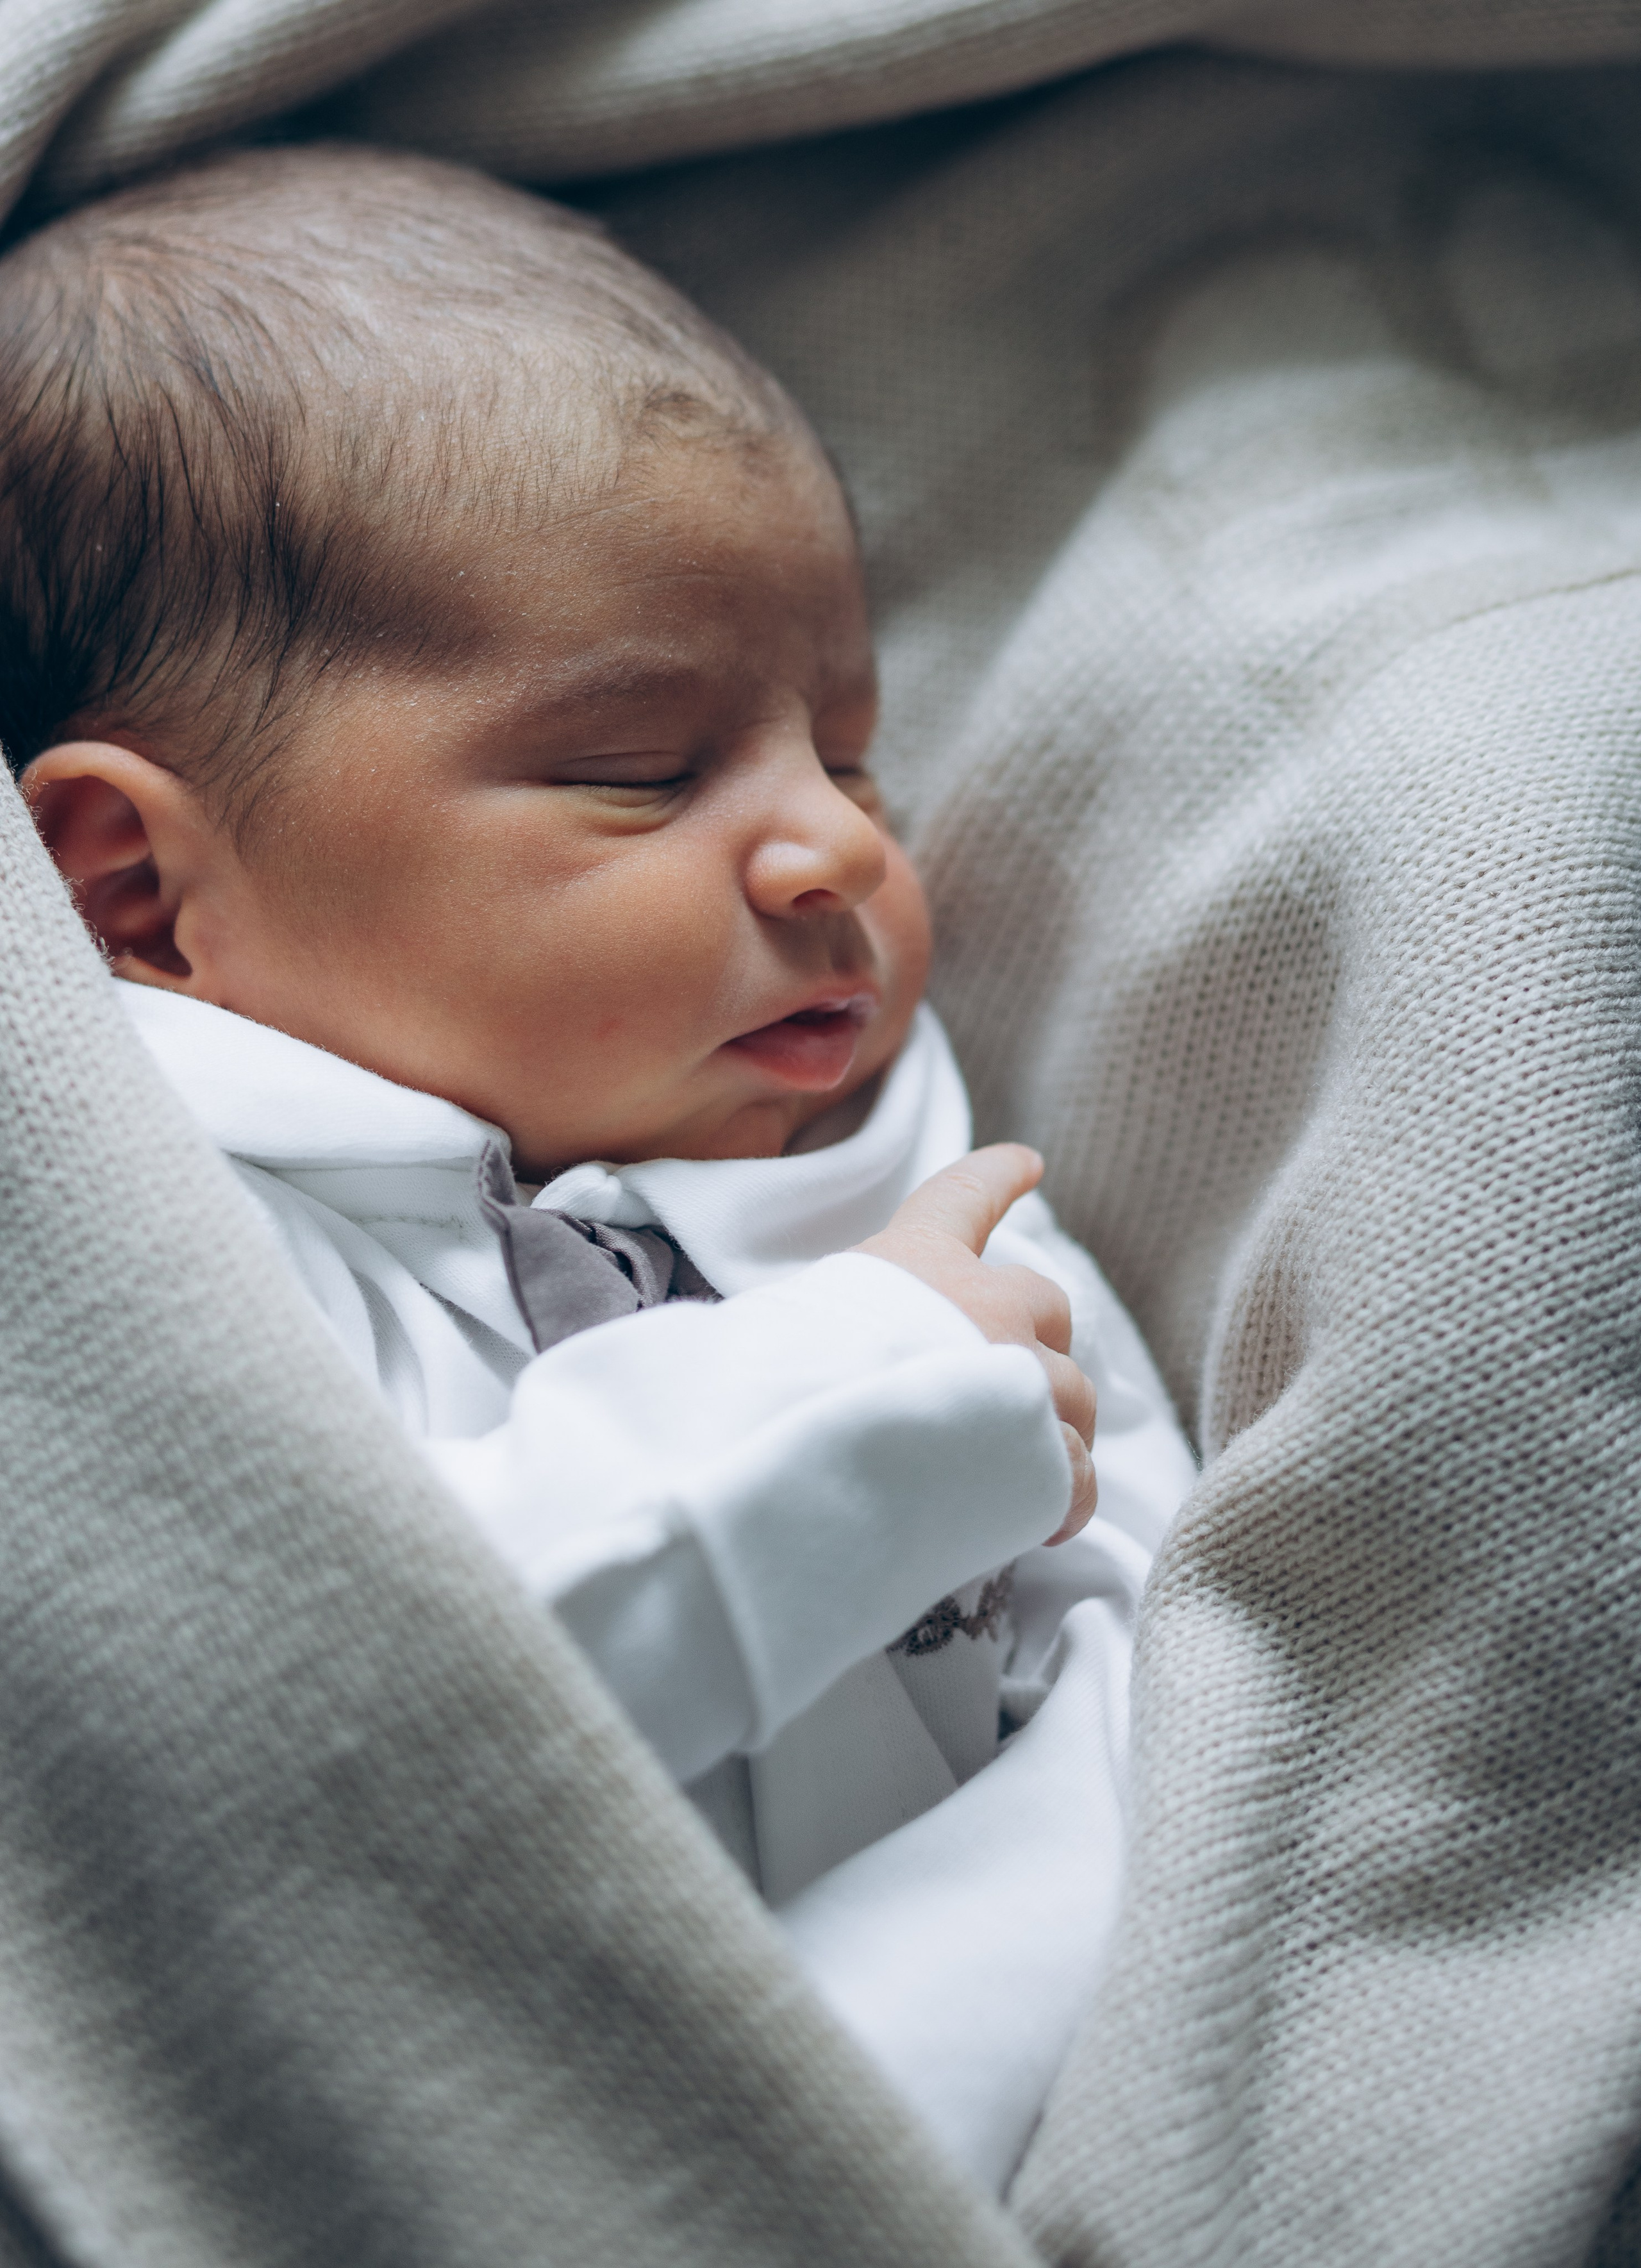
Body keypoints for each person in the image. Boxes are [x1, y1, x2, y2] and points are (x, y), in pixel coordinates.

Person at [0, 142, 1195, 2191]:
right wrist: (864, 1396)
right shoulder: (145, 1254)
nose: (831, 847)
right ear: (136, 886)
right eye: (642, 772)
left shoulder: (892, 1166)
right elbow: (316, 1730)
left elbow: (1161, 1672)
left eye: (848, 748)